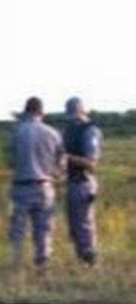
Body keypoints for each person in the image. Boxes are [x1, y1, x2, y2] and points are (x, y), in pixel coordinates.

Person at [7, 97, 66, 271]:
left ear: (25, 111)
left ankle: (15, 265)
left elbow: (12, 159)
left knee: (18, 230)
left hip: (21, 185)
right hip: (45, 185)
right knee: (44, 229)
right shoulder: (54, 133)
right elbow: (61, 162)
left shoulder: (17, 132)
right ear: (42, 112)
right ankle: (43, 264)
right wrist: (57, 176)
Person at [62, 97, 102, 266]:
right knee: (75, 227)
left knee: (84, 226)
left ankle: (90, 262)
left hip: (83, 182)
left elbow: (91, 163)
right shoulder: (69, 131)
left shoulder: (90, 131)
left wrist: (66, 158)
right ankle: (82, 262)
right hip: (72, 182)